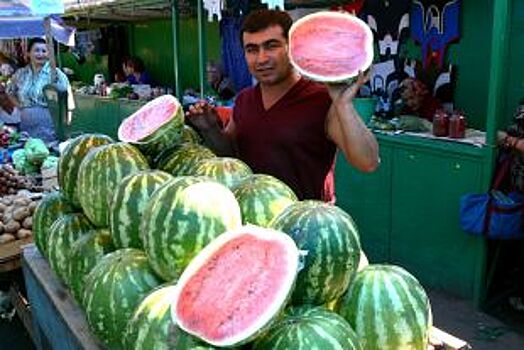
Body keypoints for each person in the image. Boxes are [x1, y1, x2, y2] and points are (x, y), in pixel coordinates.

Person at [187, 9, 379, 203]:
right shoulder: (244, 99)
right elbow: (230, 156)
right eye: (252, 49)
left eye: (271, 46)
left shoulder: (322, 100)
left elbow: (368, 162)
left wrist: (343, 104)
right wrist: (210, 128)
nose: (261, 59)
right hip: (254, 220)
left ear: (292, 48)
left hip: (306, 223)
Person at [7, 38, 70, 142]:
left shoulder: (56, 74)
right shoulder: (21, 74)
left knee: (46, 151)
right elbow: (9, 91)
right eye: (36, 50)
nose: (40, 54)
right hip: (26, 122)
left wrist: (64, 125)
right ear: (28, 53)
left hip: (48, 123)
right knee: (29, 149)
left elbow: (67, 100)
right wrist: (20, 106)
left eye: (44, 51)